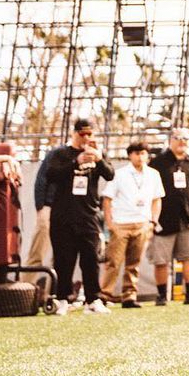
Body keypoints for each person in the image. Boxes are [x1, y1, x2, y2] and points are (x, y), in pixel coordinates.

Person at [45, 118, 115, 314]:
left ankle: (93, 299)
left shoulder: (97, 154)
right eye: (82, 134)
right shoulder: (61, 154)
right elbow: (51, 175)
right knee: (64, 260)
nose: (86, 138)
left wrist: (98, 158)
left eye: (89, 134)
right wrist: (75, 162)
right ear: (73, 133)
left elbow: (110, 175)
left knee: (91, 259)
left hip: (89, 215)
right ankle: (62, 299)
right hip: (63, 215)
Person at [148, 128, 189, 305]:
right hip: (163, 221)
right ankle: (161, 296)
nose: (182, 141)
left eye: (185, 138)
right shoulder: (158, 163)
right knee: (161, 260)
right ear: (170, 140)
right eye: (178, 138)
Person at [98, 141, 164, 308]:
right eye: (136, 153)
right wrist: (110, 222)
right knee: (114, 261)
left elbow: (157, 199)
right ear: (130, 155)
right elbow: (107, 198)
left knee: (134, 263)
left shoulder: (154, 174)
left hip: (142, 223)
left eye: (143, 153)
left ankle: (129, 296)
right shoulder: (119, 174)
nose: (140, 157)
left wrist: (153, 220)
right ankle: (105, 294)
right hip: (121, 223)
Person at [23, 144, 62, 288]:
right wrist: (41, 207)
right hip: (48, 207)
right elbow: (41, 179)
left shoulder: (88, 157)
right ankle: (24, 292)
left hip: (68, 211)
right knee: (37, 252)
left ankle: (53, 295)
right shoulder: (56, 154)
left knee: (61, 258)